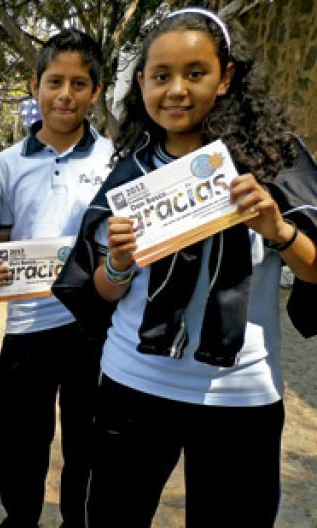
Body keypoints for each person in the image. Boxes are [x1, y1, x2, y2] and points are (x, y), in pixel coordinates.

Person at [52, 8, 317, 527]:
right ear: (142, 84)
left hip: (239, 394)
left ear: (226, 78)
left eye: (195, 73)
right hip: (133, 383)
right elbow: (100, 290)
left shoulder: (275, 162)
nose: (176, 90)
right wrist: (121, 264)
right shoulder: (130, 173)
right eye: (161, 76)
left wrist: (278, 230)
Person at [0, 29, 113, 528]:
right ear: (35, 85)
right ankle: (20, 519)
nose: (65, 94)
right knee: (20, 438)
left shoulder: (115, 161)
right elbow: (1, 238)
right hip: (26, 325)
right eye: (54, 81)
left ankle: (77, 521)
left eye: (79, 83)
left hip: (94, 325)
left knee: (87, 436)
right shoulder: (7, 164)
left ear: (96, 92)